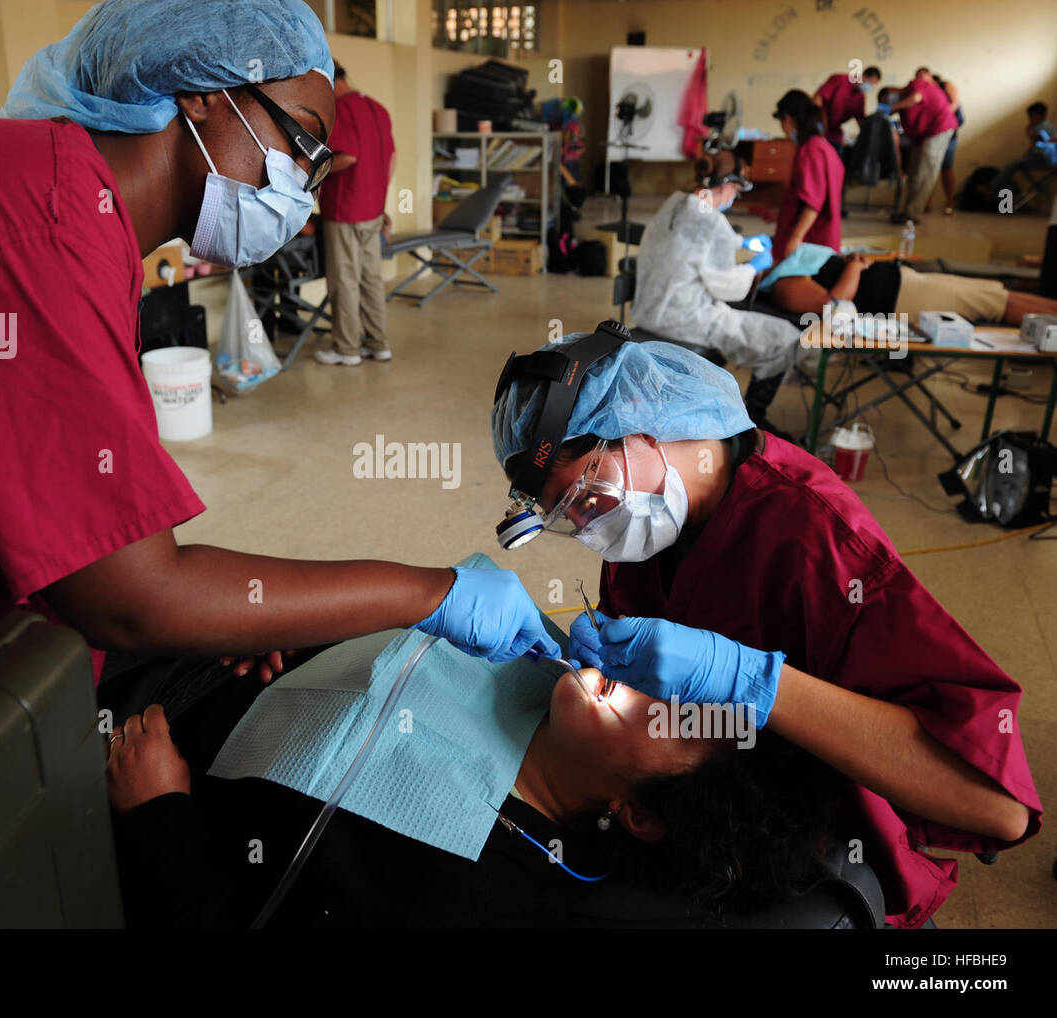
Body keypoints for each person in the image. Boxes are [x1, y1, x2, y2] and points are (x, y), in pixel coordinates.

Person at [0, 0, 555, 824]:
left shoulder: (69, 210)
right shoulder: (36, 222)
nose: (304, 197)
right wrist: (436, 595)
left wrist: (239, 611)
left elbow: (76, 518)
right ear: (202, 93)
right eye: (302, 143)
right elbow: (132, 592)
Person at [491, 339, 1042, 929]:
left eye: (585, 498)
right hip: (698, 839)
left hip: (817, 864)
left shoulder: (817, 545)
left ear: (644, 427)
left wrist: (753, 682)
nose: (586, 524)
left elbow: (999, 811)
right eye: (565, 516)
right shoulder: (653, 515)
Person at [106, 657, 841, 927]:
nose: (650, 683)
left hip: (127, 780)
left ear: (642, 813)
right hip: (205, 670)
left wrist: (157, 815)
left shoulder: (478, 896)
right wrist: (297, 642)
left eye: (675, 717)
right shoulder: (526, 659)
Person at [631, 150, 798, 432]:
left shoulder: (675, 203)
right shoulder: (714, 222)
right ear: (727, 185)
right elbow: (728, 289)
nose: (734, 197)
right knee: (784, 338)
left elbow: (694, 241)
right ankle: (753, 422)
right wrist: (754, 266)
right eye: (735, 190)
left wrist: (742, 242)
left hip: (649, 311)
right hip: (685, 321)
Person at [759, 241, 1057, 325]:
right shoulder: (784, 288)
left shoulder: (788, 266)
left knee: (997, 292)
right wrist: (853, 266)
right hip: (903, 301)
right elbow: (834, 304)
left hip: (907, 282)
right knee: (997, 305)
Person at [314, 62, 396, 366]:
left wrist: (312, 171)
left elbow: (346, 156)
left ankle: (347, 349)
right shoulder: (377, 108)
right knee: (371, 278)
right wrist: (380, 196)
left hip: (345, 210)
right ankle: (379, 343)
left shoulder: (338, 110)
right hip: (373, 209)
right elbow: (392, 158)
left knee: (344, 280)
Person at [771, 90, 845, 257]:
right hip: (821, 237)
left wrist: (796, 237)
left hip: (811, 242)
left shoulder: (811, 150)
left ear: (788, 119)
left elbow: (813, 202)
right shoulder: (823, 147)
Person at [886, 68, 958, 224]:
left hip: (939, 128)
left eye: (886, 100)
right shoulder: (904, 105)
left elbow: (917, 97)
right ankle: (907, 211)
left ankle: (913, 215)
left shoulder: (915, 85)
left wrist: (892, 107)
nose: (886, 104)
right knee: (914, 173)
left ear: (891, 93)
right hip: (923, 135)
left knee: (926, 171)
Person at [981, 102, 1057, 203]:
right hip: (1040, 157)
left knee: (1012, 165)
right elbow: (1040, 143)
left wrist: (1053, 163)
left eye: (1031, 117)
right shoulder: (1042, 126)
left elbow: (1047, 145)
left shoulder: (1043, 128)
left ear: (1040, 116)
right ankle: (996, 188)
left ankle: (994, 187)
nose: (1029, 120)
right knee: (1013, 165)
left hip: (1043, 159)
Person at [812, 66, 880, 154]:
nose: (870, 87)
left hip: (834, 133)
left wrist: (872, 135)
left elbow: (860, 121)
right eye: (870, 83)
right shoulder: (840, 80)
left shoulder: (860, 97)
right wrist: (820, 126)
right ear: (863, 76)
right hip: (819, 128)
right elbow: (818, 100)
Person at [926, 72, 963, 215]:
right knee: (929, 168)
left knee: (946, 167)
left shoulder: (946, 87)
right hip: (930, 134)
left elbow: (955, 109)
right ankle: (926, 201)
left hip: (947, 133)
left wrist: (941, 122)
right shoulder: (924, 92)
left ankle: (949, 202)